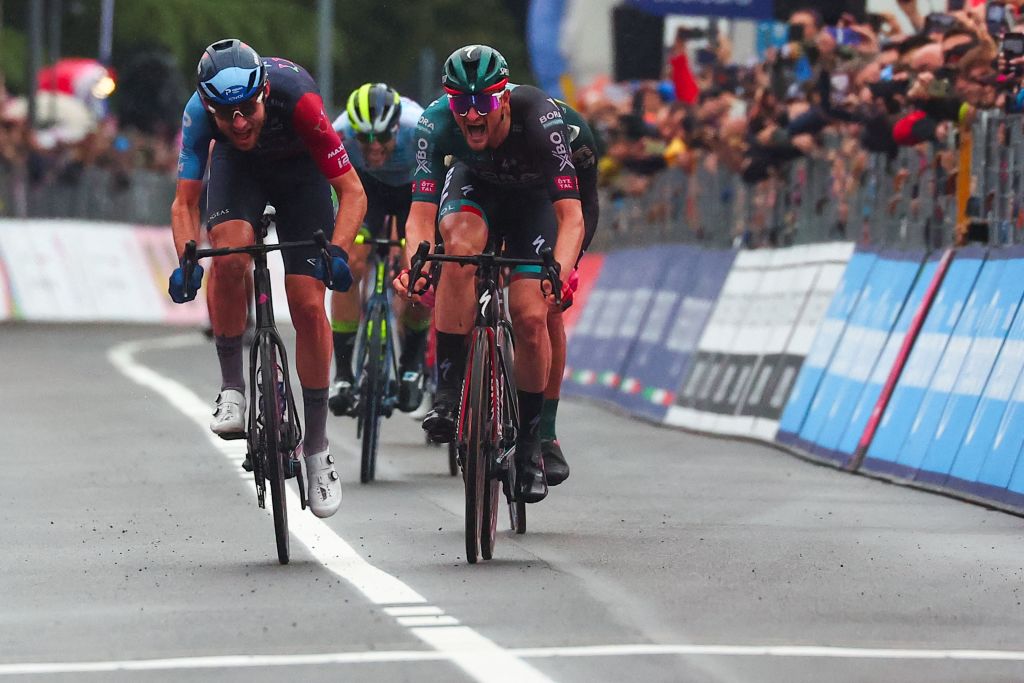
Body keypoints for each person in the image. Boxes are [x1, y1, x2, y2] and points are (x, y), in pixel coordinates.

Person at [167, 39, 366, 518]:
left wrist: (338, 252)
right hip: (241, 173)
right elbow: (186, 203)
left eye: (247, 111)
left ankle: (317, 451)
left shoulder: (298, 99)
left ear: (263, 92)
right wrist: (187, 259)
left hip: (302, 176)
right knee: (230, 257)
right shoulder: (198, 113)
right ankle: (233, 388)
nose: (238, 123)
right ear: (209, 106)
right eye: (225, 115)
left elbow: (352, 192)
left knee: (306, 302)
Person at [394, 45, 600, 503]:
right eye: (460, 103)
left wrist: (562, 273)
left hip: (537, 204)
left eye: (482, 102)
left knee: (533, 314)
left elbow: (573, 216)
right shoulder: (435, 123)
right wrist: (418, 263)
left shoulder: (544, 120)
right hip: (476, 188)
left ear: (503, 98)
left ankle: (533, 441)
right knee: (458, 251)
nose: (470, 115)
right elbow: (421, 214)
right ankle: (447, 392)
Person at [328, 83, 432, 416]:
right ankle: (343, 374)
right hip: (365, 191)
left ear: (397, 129)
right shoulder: (339, 132)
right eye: (365, 139)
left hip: (411, 193)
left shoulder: (420, 127)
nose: (373, 149)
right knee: (350, 265)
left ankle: (412, 362)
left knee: (415, 273)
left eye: (382, 139)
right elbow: (328, 186)